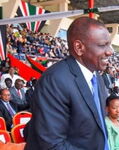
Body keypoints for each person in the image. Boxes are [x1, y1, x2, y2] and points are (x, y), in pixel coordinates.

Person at [24, 17, 113, 150]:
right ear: (79, 47)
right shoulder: (54, 80)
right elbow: (53, 145)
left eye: (109, 44)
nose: (110, 51)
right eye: (102, 45)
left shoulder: (97, 76)